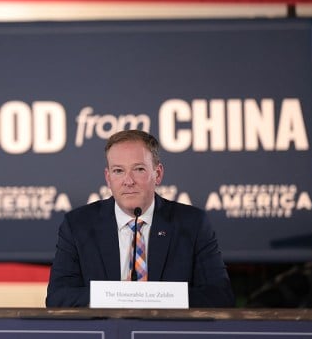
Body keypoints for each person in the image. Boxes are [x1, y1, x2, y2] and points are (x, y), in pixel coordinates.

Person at [46, 129, 234, 308]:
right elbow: (58, 297)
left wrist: (154, 297)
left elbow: (220, 296)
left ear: (157, 174)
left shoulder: (192, 224)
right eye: (118, 171)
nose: (128, 181)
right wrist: (117, 296)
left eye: (139, 169)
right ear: (108, 177)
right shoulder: (78, 225)